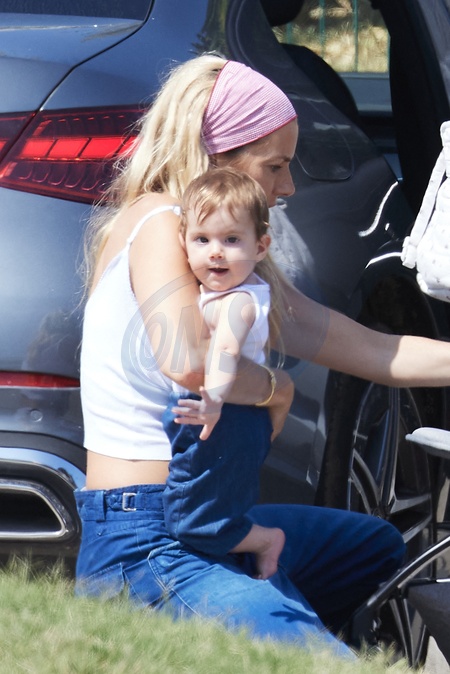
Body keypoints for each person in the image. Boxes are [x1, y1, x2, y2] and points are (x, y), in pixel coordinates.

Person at [76, 54, 450, 655]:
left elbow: (375, 351)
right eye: (274, 165)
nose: (288, 186)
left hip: (213, 520)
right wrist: (279, 390)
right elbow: (188, 359)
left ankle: (257, 624)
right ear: (217, 157)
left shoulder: (234, 275)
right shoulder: (158, 220)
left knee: (373, 548)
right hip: (147, 541)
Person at [163, 167, 286, 581]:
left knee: (193, 522)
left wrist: (213, 400)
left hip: (228, 417)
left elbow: (226, 350)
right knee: (193, 506)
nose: (215, 252)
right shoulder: (216, 292)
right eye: (202, 240)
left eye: (231, 240)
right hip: (220, 416)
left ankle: (264, 541)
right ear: (183, 242)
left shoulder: (239, 302)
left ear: (261, 247)